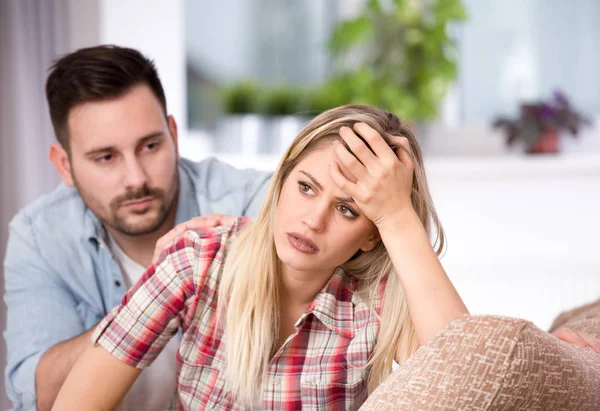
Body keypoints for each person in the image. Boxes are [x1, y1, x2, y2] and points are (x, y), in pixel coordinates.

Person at [52, 104, 471, 410]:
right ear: (281, 179)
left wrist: (399, 216)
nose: (313, 221)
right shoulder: (197, 261)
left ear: (371, 236)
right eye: (306, 187)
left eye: (347, 210)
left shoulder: (374, 305)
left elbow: (469, 384)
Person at [3, 45, 271, 411]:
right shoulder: (39, 236)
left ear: (173, 135)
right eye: (106, 157)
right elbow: (38, 395)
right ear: (64, 165)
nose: (136, 178)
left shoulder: (248, 199)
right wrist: (157, 293)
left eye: (149, 146)